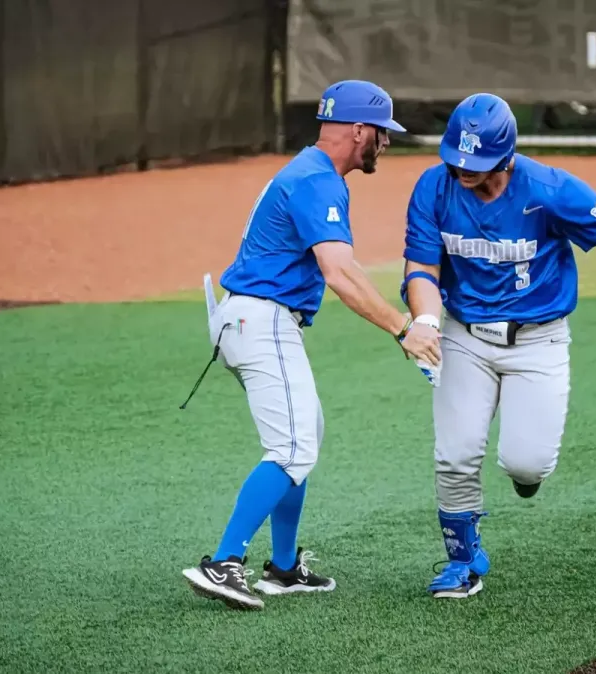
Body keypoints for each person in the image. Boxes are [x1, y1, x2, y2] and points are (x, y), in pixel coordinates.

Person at [398, 93, 596, 599]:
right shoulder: (434, 187)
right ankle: (463, 561)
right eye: (458, 159)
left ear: (507, 155)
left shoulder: (549, 189)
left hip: (539, 339)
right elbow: (422, 266)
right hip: (463, 335)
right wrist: (425, 321)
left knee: (526, 463)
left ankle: (525, 473)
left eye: (477, 161)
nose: (464, 170)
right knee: (456, 453)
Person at [181, 80, 442, 611]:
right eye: (383, 133)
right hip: (262, 320)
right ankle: (225, 562)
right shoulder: (317, 181)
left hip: (250, 318)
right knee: (293, 447)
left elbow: (344, 269)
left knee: (304, 436)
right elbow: (340, 272)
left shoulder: (309, 171)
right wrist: (402, 328)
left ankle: (281, 568)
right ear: (359, 130)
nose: (386, 143)